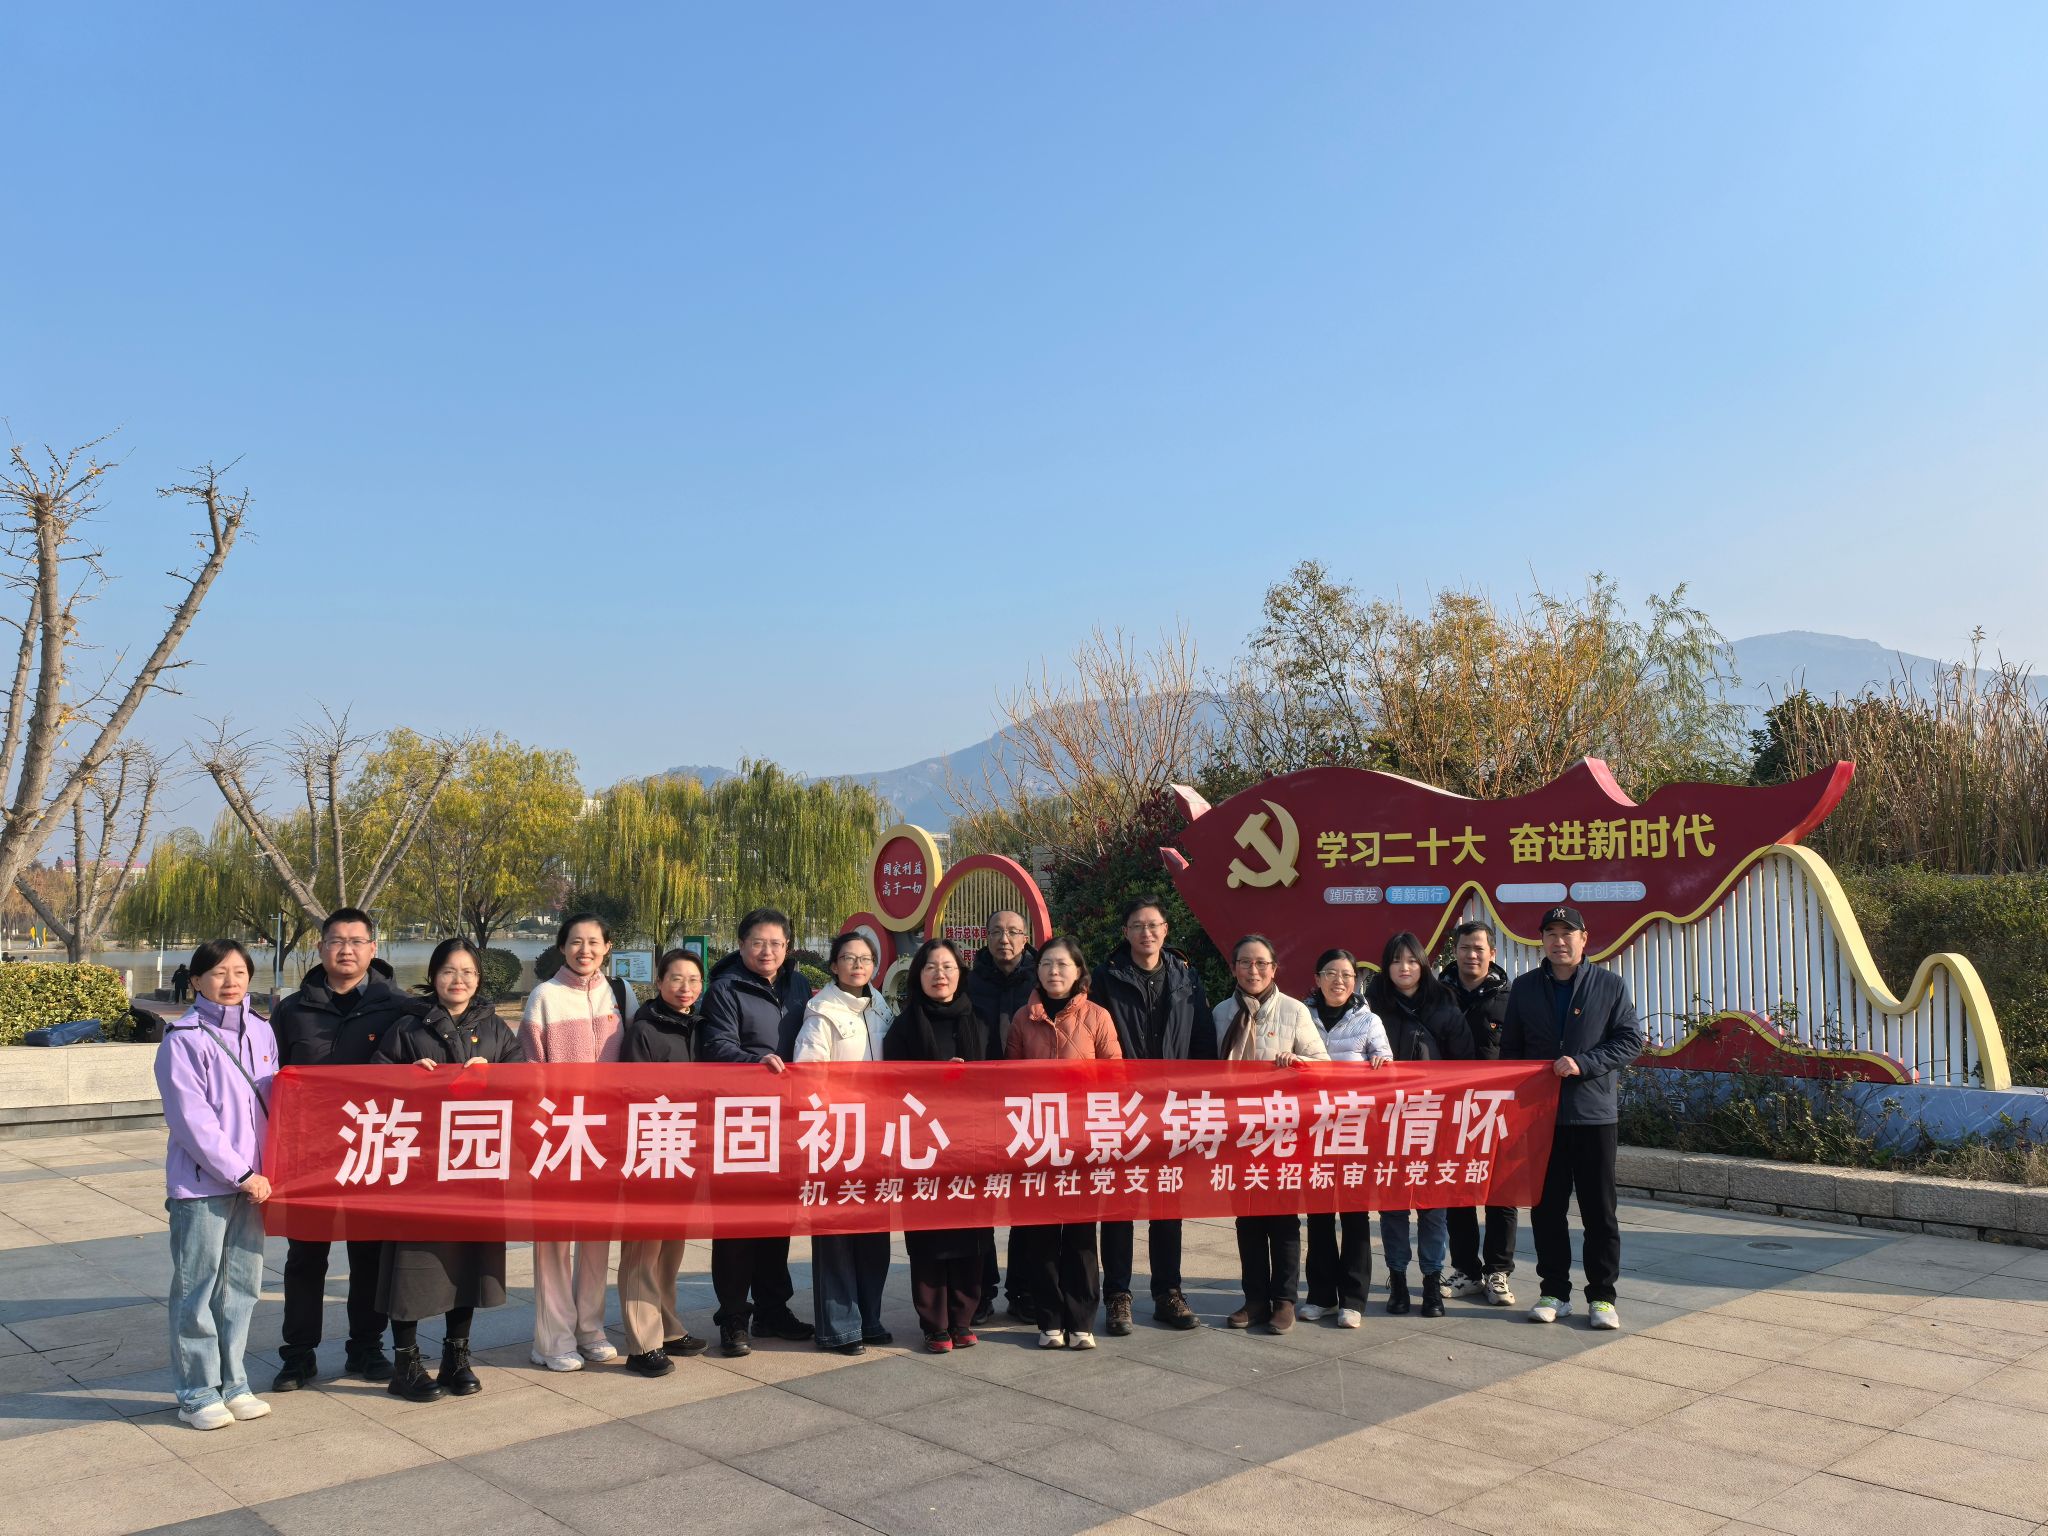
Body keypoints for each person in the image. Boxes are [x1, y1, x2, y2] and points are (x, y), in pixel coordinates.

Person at [270, 907, 414, 1391]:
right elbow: (269, 1080)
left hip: (372, 1148)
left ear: (373, 948)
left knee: (369, 1255)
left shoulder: (398, 1006)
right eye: (336, 941)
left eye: (356, 941)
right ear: (320, 948)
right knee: (305, 1257)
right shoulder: (293, 1010)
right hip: (308, 1153)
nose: (346, 950)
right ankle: (298, 1354)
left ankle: (366, 1348)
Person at [376, 936, 524, 1400]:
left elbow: (524, 1085)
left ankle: (456, 1357)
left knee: (467, 1259)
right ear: (433, 976)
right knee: (412, 1262)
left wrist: (495, 1077)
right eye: (448, 971)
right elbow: (373, 1087)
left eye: (468, 972)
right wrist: (406, 1078)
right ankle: (405, 1362)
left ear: (478, 979)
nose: (458, 980)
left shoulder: (496, 1029)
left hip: (474, 1163)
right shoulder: (407, 1027)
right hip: (419, 1165)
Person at [1501, 905, 1644, 1331]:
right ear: (1542, 940)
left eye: (1567, 933)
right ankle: (1554, 1292)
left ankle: (1602, 1296)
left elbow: (1630, 1041)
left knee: (1600, 1211)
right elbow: (1511, 1051)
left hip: (1593, 1116)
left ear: (1584, 938)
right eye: (1551, 933)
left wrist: (1584, 1063)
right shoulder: (1525, 988)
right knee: (1547, 1209)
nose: (1559, 941)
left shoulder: (1609, 985)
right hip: (1540, 1119)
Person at [157, 939, 276, 1430]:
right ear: (196, 981)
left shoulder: (263, 1031)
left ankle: (234, 1383)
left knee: (241, 1288)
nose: (230, 982)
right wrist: (241, 1173)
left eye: (239, 972)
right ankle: (196, 1391)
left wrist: (265, 1172)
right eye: (219, 973)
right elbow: (192, 1121)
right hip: (204, 1186)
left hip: (256, 1184)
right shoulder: (183, 1039)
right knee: (197, 1288)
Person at [1090, 897, 1213, 1334]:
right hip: (1121, 1106)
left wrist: (1199, 1099)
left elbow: (1202, 1041)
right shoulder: (1105, 978)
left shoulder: (1186, 977)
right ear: (1125, 932)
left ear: (1166, 930)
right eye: (1138, 925)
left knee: (1167, 1201)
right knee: (1118, 1202)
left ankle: (1167, 1293)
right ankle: (1117, 1295)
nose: (1146, 932)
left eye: (1154, 925)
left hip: (1172, 1105)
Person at [698, 907, 814, 1354]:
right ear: (741, 944)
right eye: (758, 943)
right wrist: (756, 1062)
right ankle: (732, 1317)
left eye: (776, 943)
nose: (768, 951)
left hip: (787, 1118)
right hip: (741, 1120)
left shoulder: (797, 984)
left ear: (788, 947)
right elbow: (717, 1046)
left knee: (776, 1221)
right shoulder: (725, 988)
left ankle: (772, 1309)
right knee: (736, 1224)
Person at [521, 912, 625, 1372]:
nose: (586, 950)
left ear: (607, 947)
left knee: (597, 1238)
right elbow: (530, 1070)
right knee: (554, 1240)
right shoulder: (544, 996)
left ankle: (590, 1329)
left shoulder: (619, 994)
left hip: (604, 1135)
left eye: (594, 942)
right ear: (562, 947)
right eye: (576, 941)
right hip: (558, 1134)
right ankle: (552, 1339)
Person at [1004, 935, 1119, 1350]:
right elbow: (1009, 1080)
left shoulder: (1098, 1016)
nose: (1054, 971)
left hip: (1083, 1140)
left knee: (1081, 1236)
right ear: (1037, 971)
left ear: (1078, 971)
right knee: (1040, 1236)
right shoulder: (1023, 1018)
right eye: (1047, 964)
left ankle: (1082, 1320)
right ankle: (1049, 1319)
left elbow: (1115, 1075)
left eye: (1063, 964)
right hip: (1036, 1139)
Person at [885, 939, 993, 1352]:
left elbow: (1001, 1082)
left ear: (960, 974)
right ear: (919, 976)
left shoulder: (980, 1021)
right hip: (923, 1145)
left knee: (971, 1234)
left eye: (948, 966)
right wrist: (935, 1079)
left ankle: (963, 1318)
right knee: (929, 1236)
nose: (940, 975)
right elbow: (891, 1086)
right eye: (931, 967)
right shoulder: (904, 1026)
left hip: (971, 1144)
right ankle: (934, 1324)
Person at [1217, 934, 1328, 1334]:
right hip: (1238, 1131)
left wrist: (1297, 1061)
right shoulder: (1221, 1012)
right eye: (1245, 963)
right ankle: (1255, 1300)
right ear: (1234, 968)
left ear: (1274, 969)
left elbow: (1323, 1064)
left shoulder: (1294, 1011)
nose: (1254, 970)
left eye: (1262, 963)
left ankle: (1284, 1300)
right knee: (1247, 1220)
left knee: (1282, 1219)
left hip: (1283, 1132)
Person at [793, 933, 895, 1355]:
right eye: (849, 958)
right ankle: (839, 1327)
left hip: (879, 1136)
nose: (858, 965)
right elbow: (807, 1074)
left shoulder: (882, 1007)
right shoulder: (822, 1011)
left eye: (865, 958)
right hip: (837, 1136)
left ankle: (869, 1318)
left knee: (874, 1232)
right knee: (835, 1233)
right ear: (833, 965)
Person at [614, 948, 713, 1376]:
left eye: (693, 980)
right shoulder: (645, 1029)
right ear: (658, 983)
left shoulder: (699, 1025)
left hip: (687, 1149)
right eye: (675, 979)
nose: (685, 987)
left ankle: (668, 1325)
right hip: (652, 1148)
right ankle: (642, 1342)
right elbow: (635, 1094)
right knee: (643, 1247)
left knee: (671, 1246)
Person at [1365, 930, 1472, 1319]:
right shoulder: (1371, 1007)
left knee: (1433, 1206)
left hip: (1434, 1120)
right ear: (1386, 966)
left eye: (1412, 960)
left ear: (1423, 964)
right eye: (1396, 961)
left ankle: (1431, 1282)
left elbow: (1464, 1065)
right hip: (1388, 1121)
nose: (1404, 968)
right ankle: (1397, 1279)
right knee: (1393, 1206)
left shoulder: (1444, 1003)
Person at [1301, 948, 1391, 1327]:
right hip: (1312, 1129)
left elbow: (1386, 1062)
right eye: (1331, 973)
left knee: (1354, 1214)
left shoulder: (1369, 1020)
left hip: (1356, 1130)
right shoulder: (1301, 1015)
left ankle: (1352, 1299)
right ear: (1317, 979)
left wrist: (1381, 1063)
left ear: (1355, 981)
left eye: (1347, 975)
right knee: (1319, 1214)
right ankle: (1321, 1295)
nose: (1339, 981)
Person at [964, 911, 1037, 1324]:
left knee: (1027, 1203)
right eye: (996, 932)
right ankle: (981, 1291)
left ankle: (1024, 1290)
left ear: (1026, 938)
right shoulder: (969, 981)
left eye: (1012, 932)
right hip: (980, 1107)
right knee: (981, 1203)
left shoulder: (1042, 979)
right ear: (986, 937)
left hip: (1030, 1108)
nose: (1004, 939)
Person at [1441, 921, 1519, 1307]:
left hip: (1498, 1111)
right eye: (1464, 948)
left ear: (1492, 954)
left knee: (1501, 1192)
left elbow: (1527, 1049)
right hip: (1450, 1110)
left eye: (1479, 948)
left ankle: (1498, 1272)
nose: (1471, 955)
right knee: (1457, 1190)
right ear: (1454, 952)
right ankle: (1467, 1271)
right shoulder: (1437, 996)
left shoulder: (1512, 998)